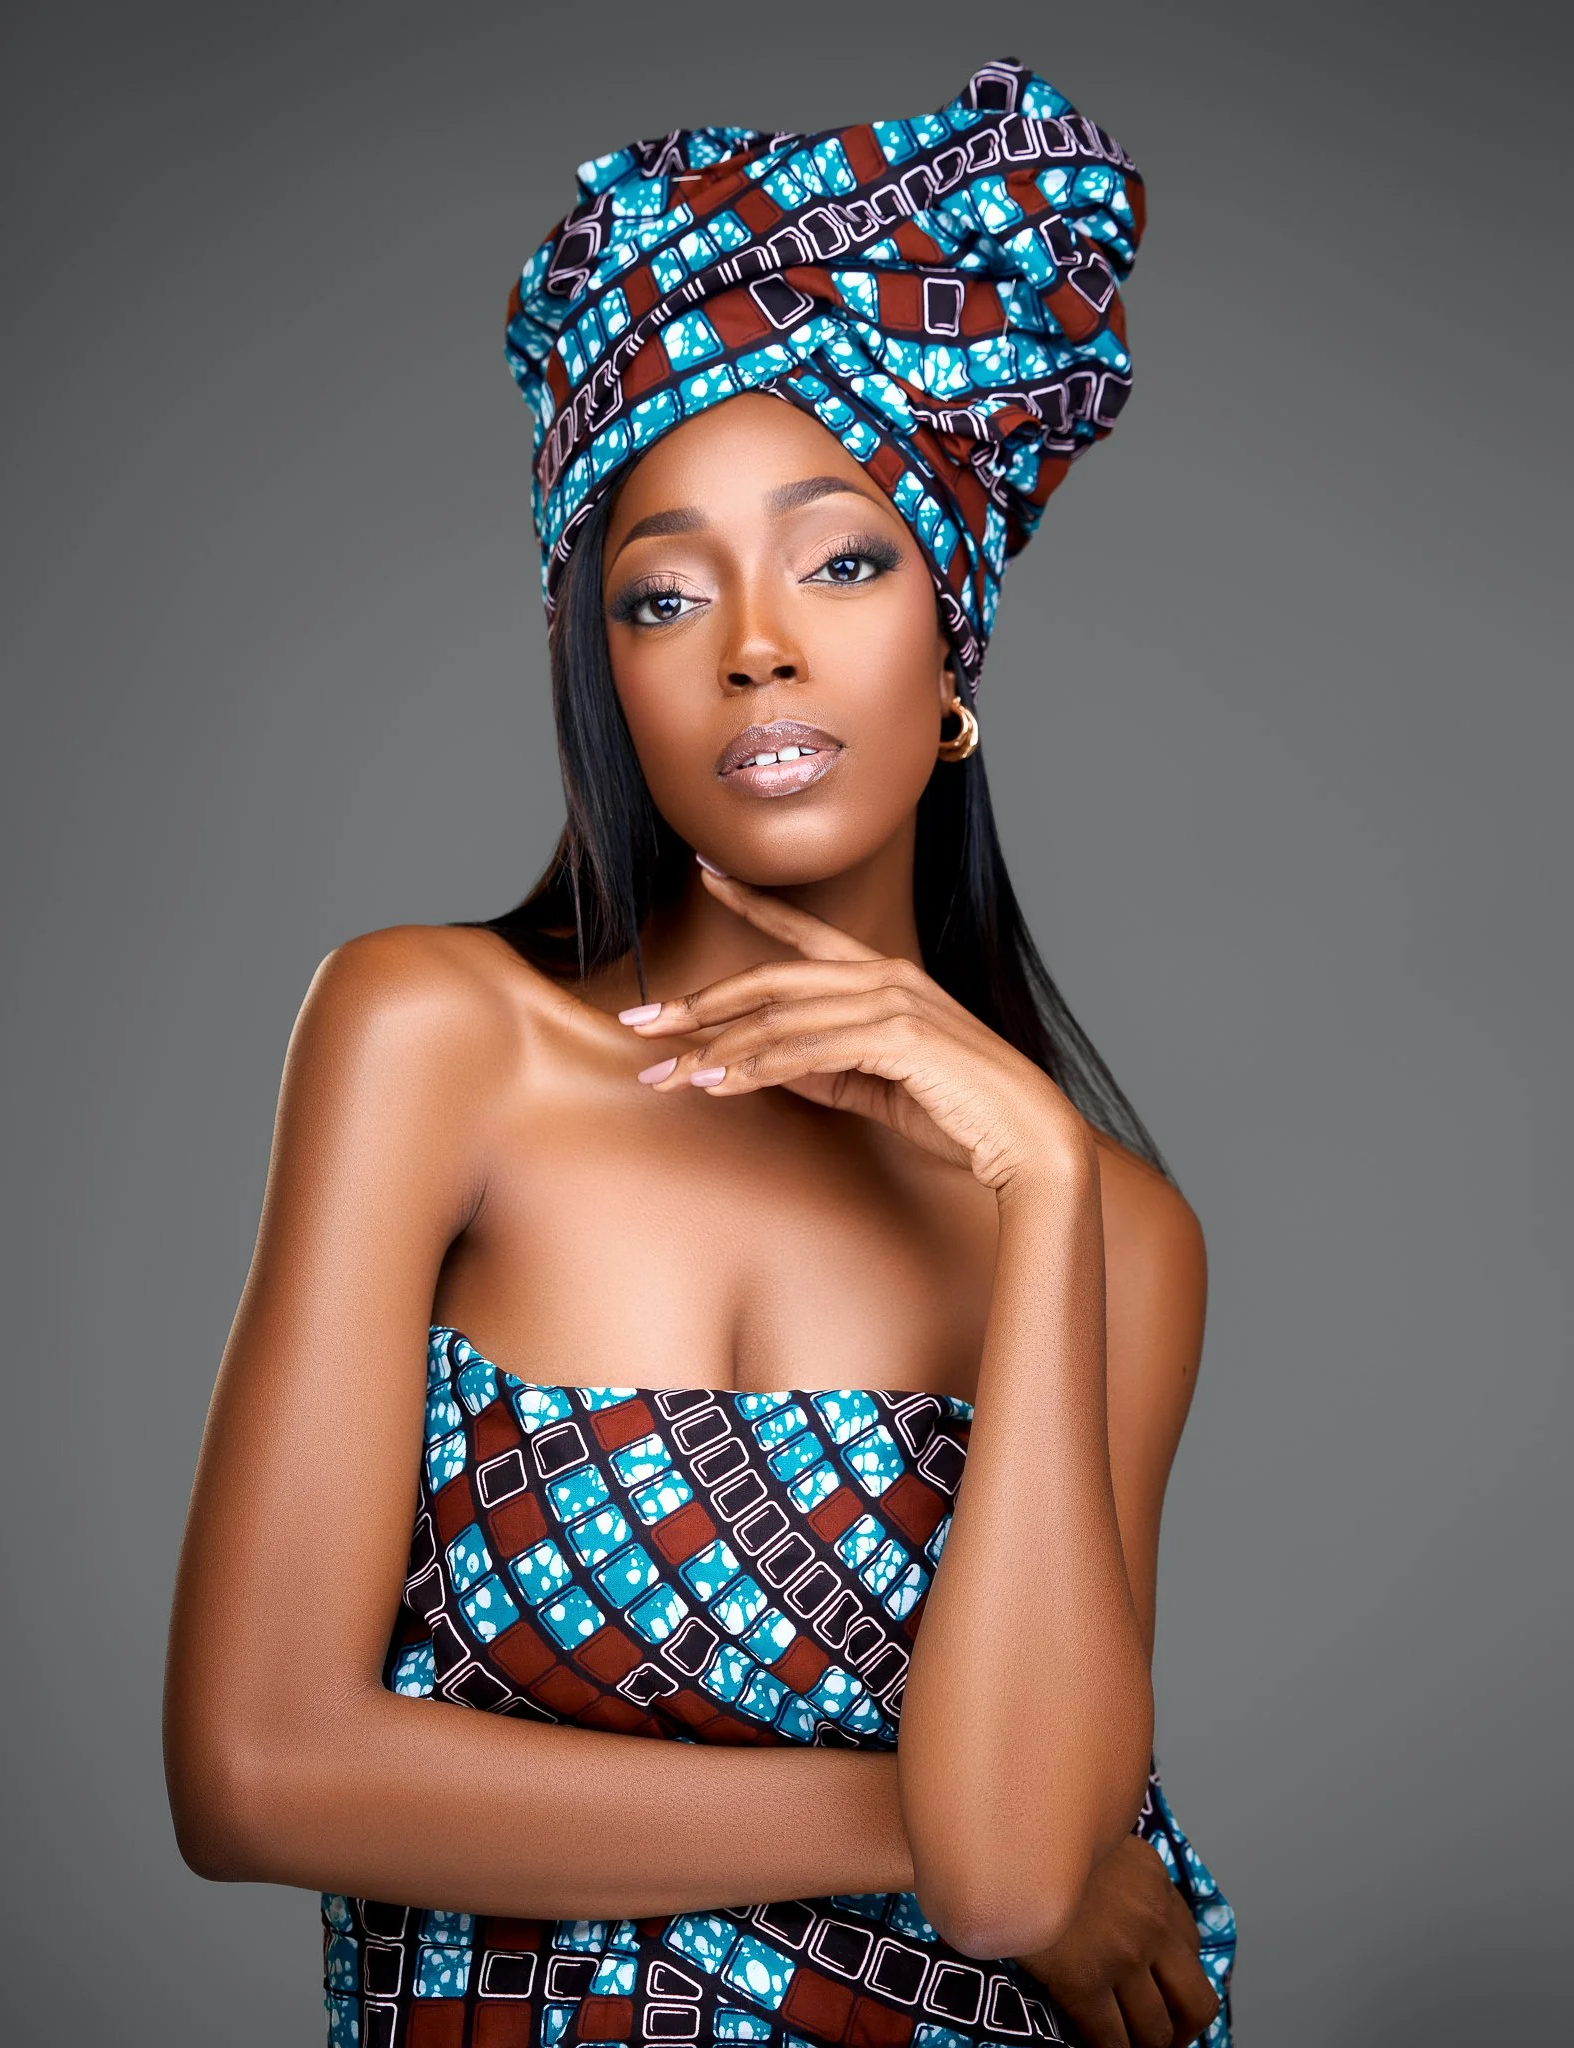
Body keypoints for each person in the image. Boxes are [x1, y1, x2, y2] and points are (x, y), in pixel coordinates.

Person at [163, 58, 1237, 2048]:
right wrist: (917, 1818)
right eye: (663, 593)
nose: (755, 642)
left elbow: (1020, 1888)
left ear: (951, 642)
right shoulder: (435, 1037)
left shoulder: (1114, 1230)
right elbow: (258, 1769)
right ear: (610, 674)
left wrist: (1038, 1180)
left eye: (843, 560)